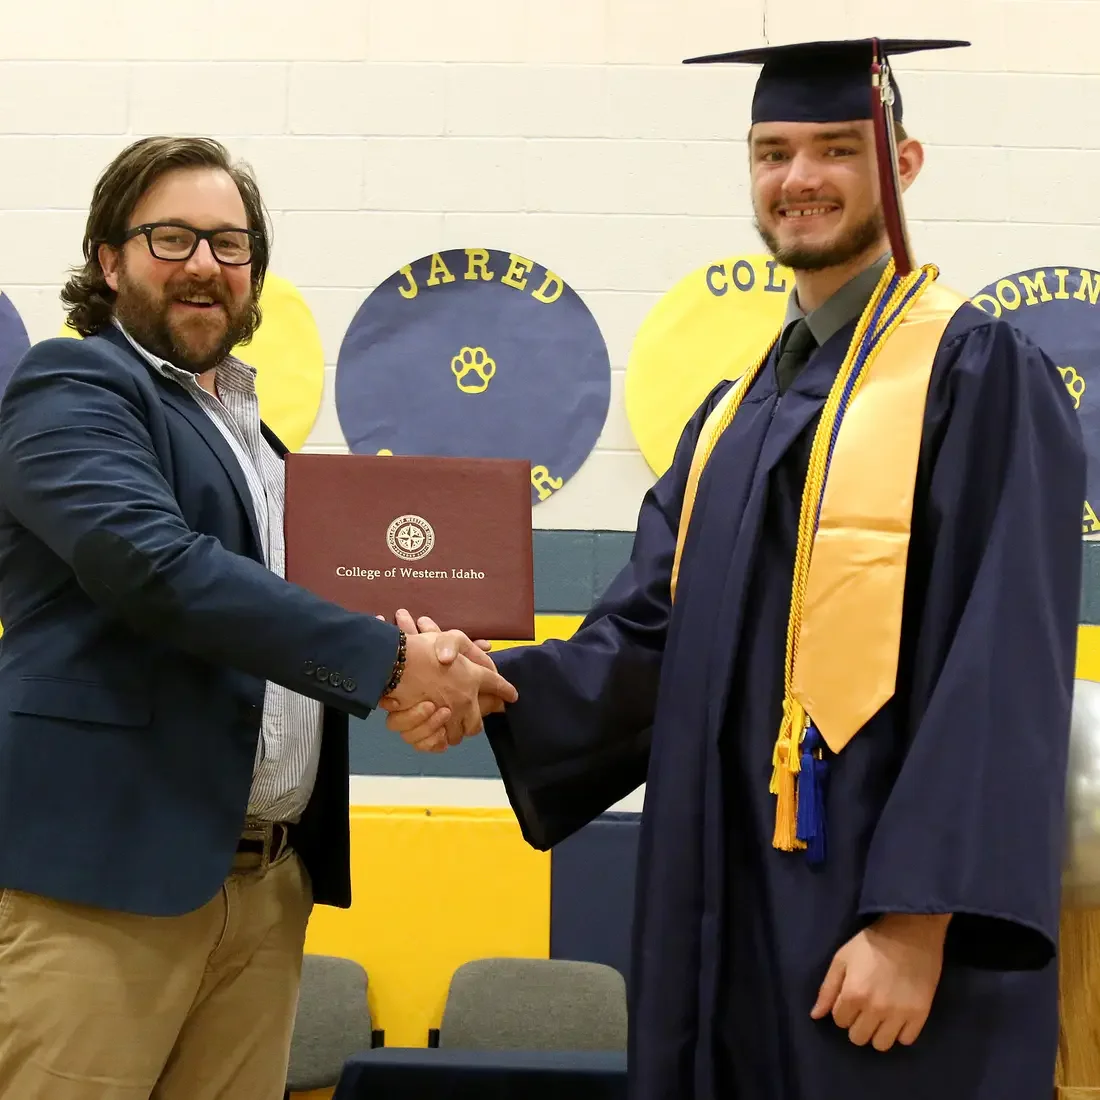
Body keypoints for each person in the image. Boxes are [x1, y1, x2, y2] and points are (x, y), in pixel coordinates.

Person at [383, 38, 1087, 1100]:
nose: (796, 177)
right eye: (771, 151)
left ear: (902, 166)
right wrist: (496, 687)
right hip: (719, 895)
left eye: (833, 149)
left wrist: (916, 918)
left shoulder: (975, 373)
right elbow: (653, 634)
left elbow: (1001, 668)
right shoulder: (733, 411)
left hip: (870, 909)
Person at [0, 135, 516, 1100]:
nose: (206, 264)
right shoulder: (71, 387)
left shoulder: (259, 439)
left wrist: (437, 654)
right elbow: (148, 567)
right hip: (104, 884)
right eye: (172, 238)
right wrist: (395, 664)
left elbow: (305, 614)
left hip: (268, 887)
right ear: (109, 261)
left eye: (231, 245)